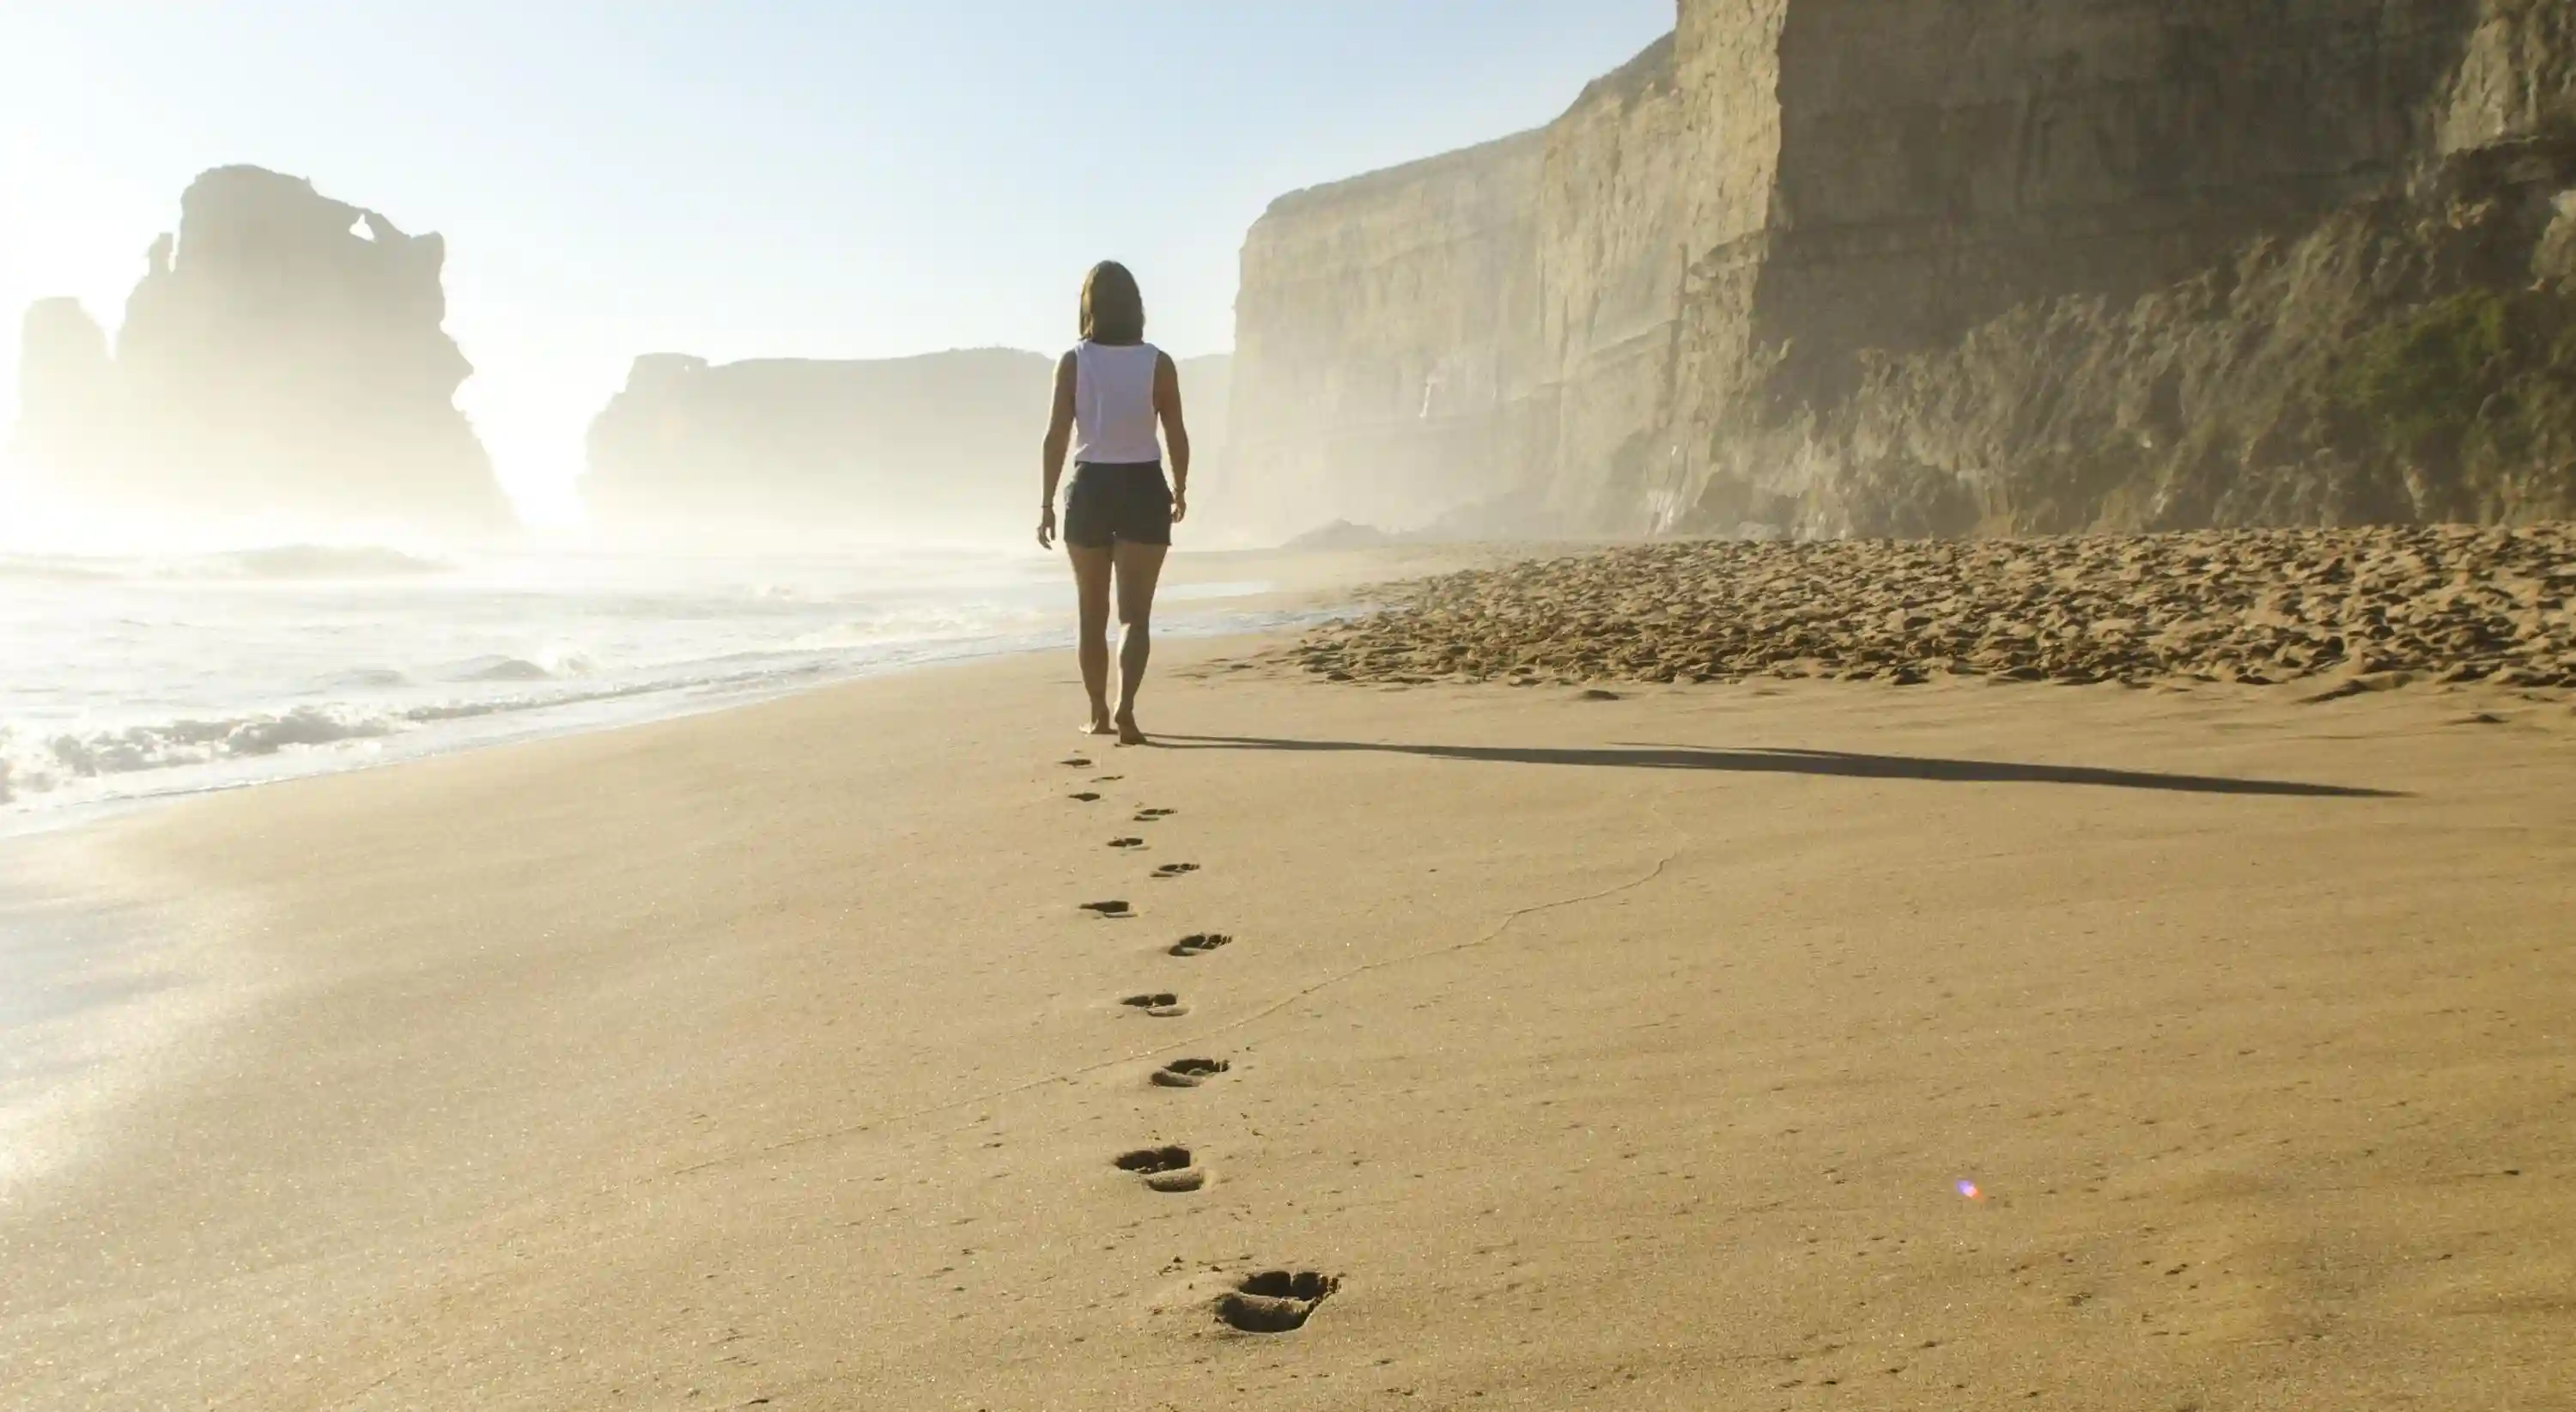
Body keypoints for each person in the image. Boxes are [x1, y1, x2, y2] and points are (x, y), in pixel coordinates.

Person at [1037, 260, 1189, 745]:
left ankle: (1099, 712)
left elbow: (1056, 436)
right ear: (1136, 307)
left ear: (1089, 306)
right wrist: (1180, 488)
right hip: (1144, 486)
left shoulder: (1074, 362)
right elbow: (1177, 434)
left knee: (1091, 614)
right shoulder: (1157, 363)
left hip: (1091, 489)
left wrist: (1045, 503)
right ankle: (1127, 709)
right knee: (1134, 617)